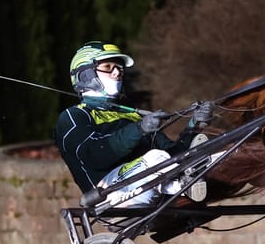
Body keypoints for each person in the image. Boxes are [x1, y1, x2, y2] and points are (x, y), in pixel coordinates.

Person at [54, 41, 213, 206]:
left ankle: (184, 183)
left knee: (206, 156)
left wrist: (195, 126)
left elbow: (173, 155)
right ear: (86, 75)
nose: (117, 73)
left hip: (148, 185)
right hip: (106, 195)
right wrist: (139, 129)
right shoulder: (72, 117)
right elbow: (96, 155)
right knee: (156, 158)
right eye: (108, 67)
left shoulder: (132, 115)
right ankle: (181, 186)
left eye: (119, 68)